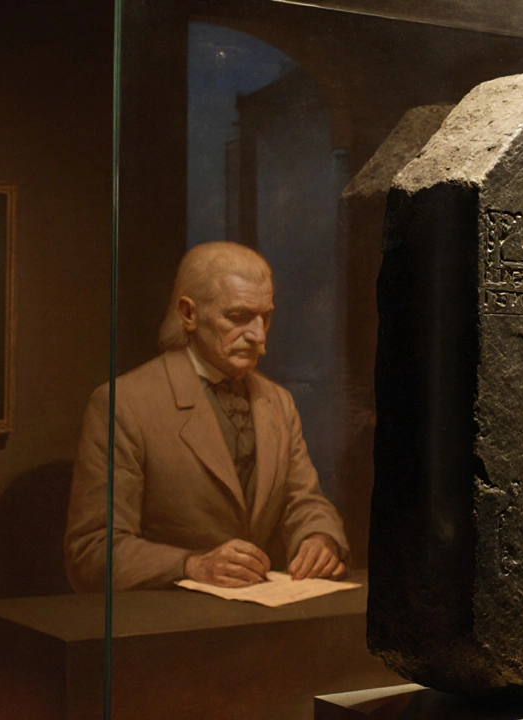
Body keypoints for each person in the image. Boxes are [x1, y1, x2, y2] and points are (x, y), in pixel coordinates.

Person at [65, 242, 349, 592]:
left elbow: (304, 502)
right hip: (169, 627)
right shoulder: (123, 404)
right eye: (239, 316)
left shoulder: (279, 402)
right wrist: (191, 565)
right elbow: (91, 552)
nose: (258, 336)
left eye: (266, 317)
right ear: (189, 314)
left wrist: (319, 538)